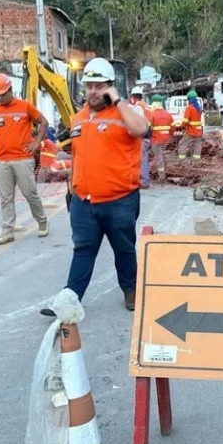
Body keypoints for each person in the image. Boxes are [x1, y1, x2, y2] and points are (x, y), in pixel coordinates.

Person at [40, 57, 148, 315]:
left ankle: (131, 290)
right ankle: (69, 299)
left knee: (123, 249)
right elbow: (78, 156)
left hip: (119, 200)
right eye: (89, 86)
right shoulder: (78, 119)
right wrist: (72, 189)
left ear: (110, 86)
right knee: (83, 250)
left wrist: (118, 100)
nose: (93, 91)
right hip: (84, 201)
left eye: (99, 86)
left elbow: (141, 129)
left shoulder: (125, 113)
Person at [0, 73, 49, 245]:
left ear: (10, 89)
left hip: (22, 159)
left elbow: (43, 122)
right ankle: (7, 231)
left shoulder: (25, 106)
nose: (0, 98)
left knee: (30, 193)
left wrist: (37, 143)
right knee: (6, 197)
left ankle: (42, 221)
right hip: (2, 160)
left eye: (2, 94)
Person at [129, 86, 153, 188]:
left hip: (142, 136)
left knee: (142, 159)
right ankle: (142, 179)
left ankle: (144, 181)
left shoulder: (138, 107)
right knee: (143, 158)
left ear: (133, 97)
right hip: (147, 134)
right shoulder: (145, 105)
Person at [149, 94, 174, 179]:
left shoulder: (151, 114)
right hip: (166, 139)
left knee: (159, 157)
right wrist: (170, 134)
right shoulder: (168, 114)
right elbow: (173, 126)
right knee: (165, 155)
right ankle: (170, 171)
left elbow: (149, 128)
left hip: (156, 140)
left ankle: (162, 176)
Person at [178, 90, 204, 162]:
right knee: (197, 145)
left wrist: (182, 126)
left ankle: (182, 159)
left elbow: (185, 120)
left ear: (189, 99)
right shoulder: (199, 108)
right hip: (199, 131)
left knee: (182, 143)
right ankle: (196, 161)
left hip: (191, 131)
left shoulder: (189, 108)